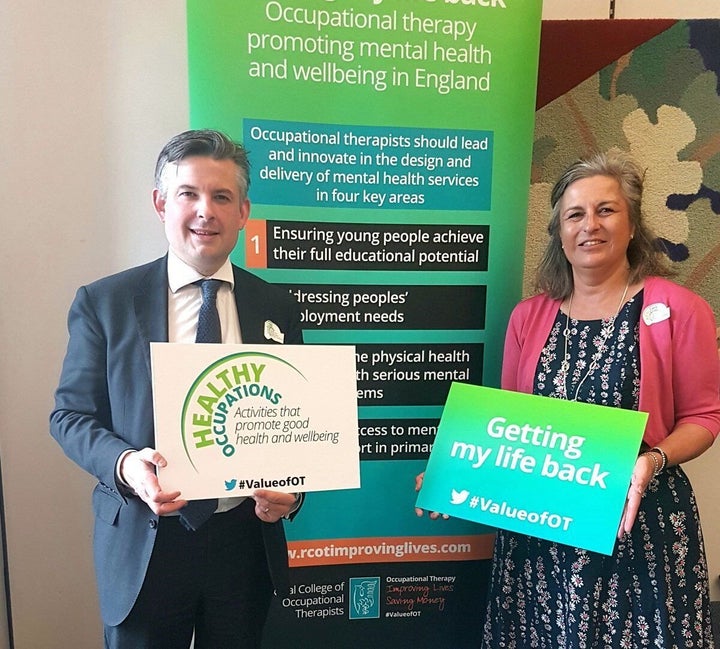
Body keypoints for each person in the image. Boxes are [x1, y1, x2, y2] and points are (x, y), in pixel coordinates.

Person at [416, 149, 720, 647]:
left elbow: (705, 415)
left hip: (636, 523)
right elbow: (509, 425)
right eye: (575, 214)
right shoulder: (528, 317)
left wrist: (654, 460)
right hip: (542, 530)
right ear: (559, 230)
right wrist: (459, 473)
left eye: (606, 210)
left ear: (632, 223)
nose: (590, 225)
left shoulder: (680, 309)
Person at [50, 129, 304, 649]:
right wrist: (127, 466)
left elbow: (295, 429)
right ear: (161, 203)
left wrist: (293, 492)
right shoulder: (106, 302)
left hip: (243, 544)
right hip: (145, 542)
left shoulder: (277, 307)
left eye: (222, 196)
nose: (205, 211)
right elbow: (70, 417)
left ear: (243, 212)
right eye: (188, 194)